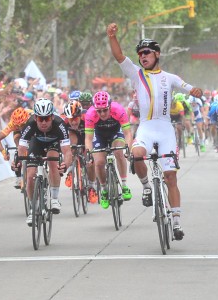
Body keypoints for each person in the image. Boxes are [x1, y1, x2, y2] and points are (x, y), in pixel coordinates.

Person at [107, 24, 202, 241]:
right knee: (137, 154)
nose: (142, 56)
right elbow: (119, 55)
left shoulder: (170, 77)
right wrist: (112, 36)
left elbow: (190, 88)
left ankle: (176, 222)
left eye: (146, 52)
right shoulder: (136, 74)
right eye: (140, 54)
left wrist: (196, 91)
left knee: (171, 177)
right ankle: (146, 187)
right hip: (146, 127)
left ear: (157, 54)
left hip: (165, 129)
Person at [18, 98, 72, 225]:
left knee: (52, 161)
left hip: (53, 144)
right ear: (35, 117)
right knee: (30, 176)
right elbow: (21, 148)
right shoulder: (30, 123)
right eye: (40, 118)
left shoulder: (60, 124)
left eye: (46, 118)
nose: (43, 122)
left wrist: (66, 164)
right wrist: (20, 163)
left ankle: (54, 198)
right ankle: (33, 209)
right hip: (36, 144)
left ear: (52, 117)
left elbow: (67, 151)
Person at [84, 91, 134, 209]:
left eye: (105, 110)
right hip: (99, 136)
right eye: (99, 111)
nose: (102, 113)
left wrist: (128, 148)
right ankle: (104, 190)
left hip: (115, 133)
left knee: (118, 152)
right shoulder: (90, 114)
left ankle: (124, 185)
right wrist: (90, 153)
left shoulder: (118, 109)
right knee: (99, 162)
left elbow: (127, 133)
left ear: (110, 106)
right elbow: (88, 138)